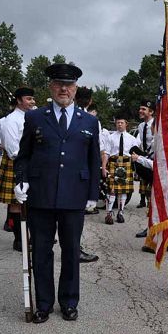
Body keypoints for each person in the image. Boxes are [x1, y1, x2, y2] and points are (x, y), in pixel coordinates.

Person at [14, 63, 101, 323]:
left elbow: (93, 159)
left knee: (71, 250)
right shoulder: (35, 117)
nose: (64, 89)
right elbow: (23, 157)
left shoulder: (90, 121)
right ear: (51, 87)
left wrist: (92, 194)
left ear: (75, 89)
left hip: (74, 196)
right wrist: (21, 180)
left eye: (69, 85)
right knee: (41, 251)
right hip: (41, 195)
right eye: (59, 84)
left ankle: (69, 302)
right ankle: (43, 304)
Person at [0, 87, 35, 251]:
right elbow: (12, 148)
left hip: (30, 162)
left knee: (28, 202)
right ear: (19, 100)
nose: (32, 102)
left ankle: (28, 237)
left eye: (32, 99)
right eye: (28, 99)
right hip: (17, 162)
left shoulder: (30, 117)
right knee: (17, 203)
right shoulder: (11, 120)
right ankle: (20, 240)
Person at [71, 87, 100, 263]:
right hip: (78, 176)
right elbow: (96, 153)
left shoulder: (89, 119)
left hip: (80, 176)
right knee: (75, 220)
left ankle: (75, 249)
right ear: (89, 101)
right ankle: (75, 250)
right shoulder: (90, 120)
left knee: (75, 219)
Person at [101, 113, 139, 224]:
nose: (119, 125)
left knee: (123, 191)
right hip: (113, 164)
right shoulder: (110, 137)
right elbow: (106, 153)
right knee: (112, 190)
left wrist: (136, 170)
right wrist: (104, 167)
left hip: (126, 165)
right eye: (118, 123)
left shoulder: (132, 139)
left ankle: (120, 213)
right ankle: (109, 214)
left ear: (126, 124)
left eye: (122, 123)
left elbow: (135, 155)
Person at [135, 99, 155, 243]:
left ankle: (153, 227)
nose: (141, 111)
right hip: (145, 162)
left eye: (144, 109)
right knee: (149, 197)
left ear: (151, 111)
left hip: (153, 162)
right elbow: (138, 142)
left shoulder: (156, 124)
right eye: (140, 109)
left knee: (154, 197)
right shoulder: (141, 126)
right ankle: (149, 226)